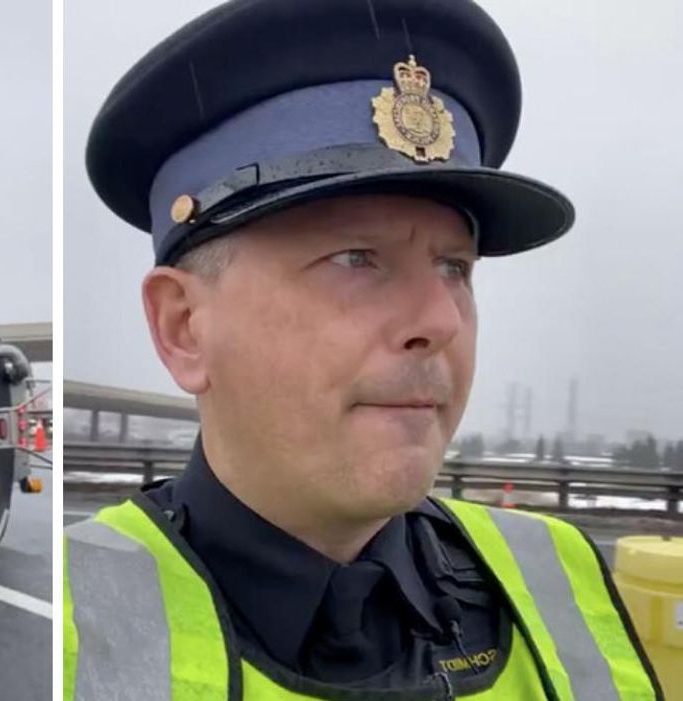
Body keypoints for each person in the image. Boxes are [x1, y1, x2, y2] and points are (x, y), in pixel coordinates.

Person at [63, 1, 662, 699]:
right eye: (356, 258)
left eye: (454, 268)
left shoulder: (558, 582)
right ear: (184, 327)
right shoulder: (74, 632)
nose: (440, 319)